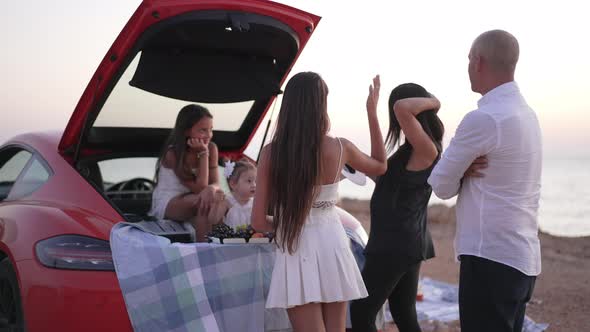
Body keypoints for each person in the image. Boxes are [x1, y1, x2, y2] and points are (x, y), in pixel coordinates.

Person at [252, 72, 388, 331]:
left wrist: (285, 223)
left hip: (296, 245)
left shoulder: (271, 153)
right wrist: (372, 112)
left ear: (289, 105)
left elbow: (258, 221)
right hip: (333, 242)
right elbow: (381, 166)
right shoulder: (339, 147)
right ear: (320, 105)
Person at [427, 30, 542, 332]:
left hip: (490, 258)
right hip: (522, 257)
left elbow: (440, 184)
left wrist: (462, 171)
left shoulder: (485, 119)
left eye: (468, 59)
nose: (467, 66)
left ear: (478, 62)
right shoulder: (527, 115)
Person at [350, 83, 444, 332]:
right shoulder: (408, 151)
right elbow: (379, 172)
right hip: (401, 241)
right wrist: (371, 114)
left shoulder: (427, 149)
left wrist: (434, 101)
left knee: (361, 312)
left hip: (396, 243)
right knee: (403, 313)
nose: (397, 117)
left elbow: (402, 107)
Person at [149, 104, 226, 241]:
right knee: (204, 200)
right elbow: (200, 188)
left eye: (210, 130)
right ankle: (205, 252)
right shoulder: (173, 153)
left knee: (215, 200)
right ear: (186, 131)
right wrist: (203, 154)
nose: (209, 135)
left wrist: (212, 188)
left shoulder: (212, 148)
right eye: (203, 130)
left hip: (196, 197)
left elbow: (215, 183)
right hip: (170, 201)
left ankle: (219, 246)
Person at [222, 159, 257, 228]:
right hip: (231, 237)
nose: (254, 185)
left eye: (255, 181)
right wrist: (217, 204)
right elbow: (213, 220)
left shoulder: (255, 203)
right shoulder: (228, 201)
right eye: (249, 181)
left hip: (252, 237)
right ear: (233, 184)